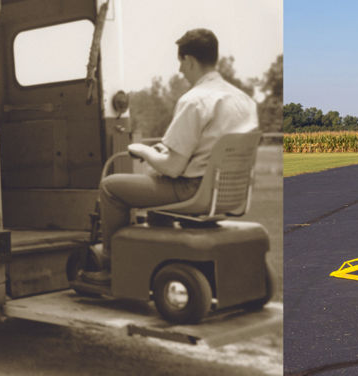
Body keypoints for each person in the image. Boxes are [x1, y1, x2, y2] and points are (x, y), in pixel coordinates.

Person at [81, 28, 258, 285]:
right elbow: (206, 149)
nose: (180, 70)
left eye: (181, 62)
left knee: (111, 187)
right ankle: (159, 260)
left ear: (189, 60)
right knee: (157, 186)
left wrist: (143, 150)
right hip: (229, 193)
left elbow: (173, 167)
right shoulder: (245, 102)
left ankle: (111, 267)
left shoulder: (195, 100)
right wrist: (163, 152)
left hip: (193, 190)